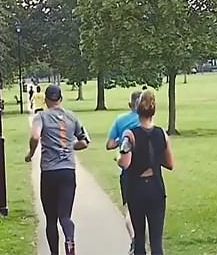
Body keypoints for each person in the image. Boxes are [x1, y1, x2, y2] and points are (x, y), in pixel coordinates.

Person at [25, 84, 90, 255]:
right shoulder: (72, 117)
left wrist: (31, 153)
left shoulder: (41, 117)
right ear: (60, 99)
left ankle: (55, 253)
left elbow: (35, 136)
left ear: (46, 100)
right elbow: (84, 142)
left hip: (49, 172)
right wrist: (69, 146)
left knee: (51, 219)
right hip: (68, 171)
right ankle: (70, 242)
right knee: (65, 216)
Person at [118, 90, 175, 255]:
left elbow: (125, 163)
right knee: (156, 242)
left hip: (137, 189)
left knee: (140, 239)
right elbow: (170, 164)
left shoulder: (130, 135)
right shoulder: (162, 134)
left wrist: (119, 157)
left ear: (137, 109)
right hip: (156, 188)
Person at [106, 91, 142, 254]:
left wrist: (121, 140)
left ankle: (135, 239)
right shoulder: (147, 123)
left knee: (130, 210)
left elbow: (110, 144)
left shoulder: (121, 120)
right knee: (146, 213)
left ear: (130, 104)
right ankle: (141, 244)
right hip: (147, 172)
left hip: (127, 172)